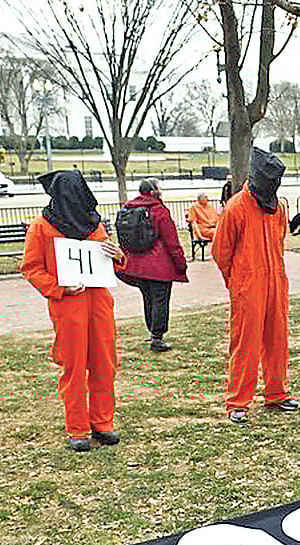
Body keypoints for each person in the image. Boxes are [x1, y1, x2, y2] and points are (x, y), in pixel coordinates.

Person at [21, 171, 125, 451]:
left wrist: (118, 257)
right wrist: (59, 288)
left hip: (99, 304)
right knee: (74, 367)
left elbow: (108, 259)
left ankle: (102, 422)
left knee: (104, 364)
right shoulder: (42, 227)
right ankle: (77, 428)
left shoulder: (94, 223)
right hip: (68, 307)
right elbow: (31, 268)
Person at [212, 148, 299, 423]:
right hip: (248, 284)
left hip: (276, 280)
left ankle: (277, 392)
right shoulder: (236, 207)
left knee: (277, 339)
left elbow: (280, 241)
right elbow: (221, 252)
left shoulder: (279, 207)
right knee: (245, 342)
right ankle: (238, 401)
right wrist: (237, 281)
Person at [117, 178, 188, 352]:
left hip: (136, 265)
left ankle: (153, 332)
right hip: (158, 265)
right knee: (160, 300)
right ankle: (157, 336)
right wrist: (181, 264)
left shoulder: (128, 209)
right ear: (153, 192)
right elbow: (172, 241)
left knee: (148, 298)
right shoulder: (159, 211)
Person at [186, 191, 219, 259]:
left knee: (225, 232)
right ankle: (217, 253)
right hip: (203, 230)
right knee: (220, 234)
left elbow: (217, 219)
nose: (208, 199)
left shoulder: (210, 207)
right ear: (200, 199)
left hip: (213, 228)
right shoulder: (194, 207)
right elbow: (193, 223)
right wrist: (200, 236)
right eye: (205, 197)